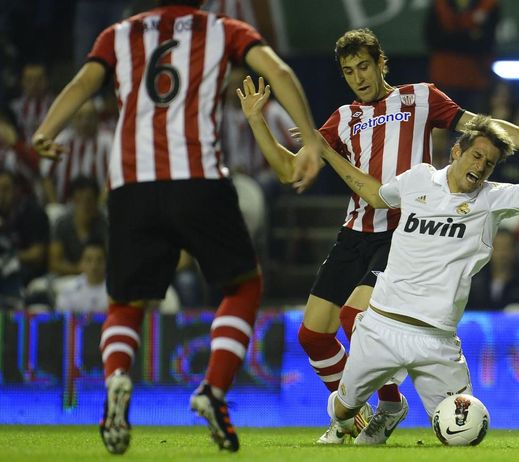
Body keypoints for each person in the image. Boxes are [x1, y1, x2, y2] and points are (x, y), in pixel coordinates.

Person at [241, 28, 519, 444]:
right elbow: (290, 171)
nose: (358, 77)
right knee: (311, 335)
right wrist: (256, 122)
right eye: (348, 71)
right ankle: (356, 414)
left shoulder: (419, 98)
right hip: (355, 231)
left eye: (364, 67)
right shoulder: (342, 119)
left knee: (354, 316)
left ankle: (389, 405)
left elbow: (486, 129)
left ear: (381, 63)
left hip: (402, 230)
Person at [31, 0, 323, 454]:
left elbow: (82, 83)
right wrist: (311, 139)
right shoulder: (223, 29)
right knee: (243, 285)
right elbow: (279, 72)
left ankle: (117, 377)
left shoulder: (118, 34)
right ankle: (213, 389)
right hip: (198, 179)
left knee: (125, 302)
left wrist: (46, 130)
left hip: (131, 185)